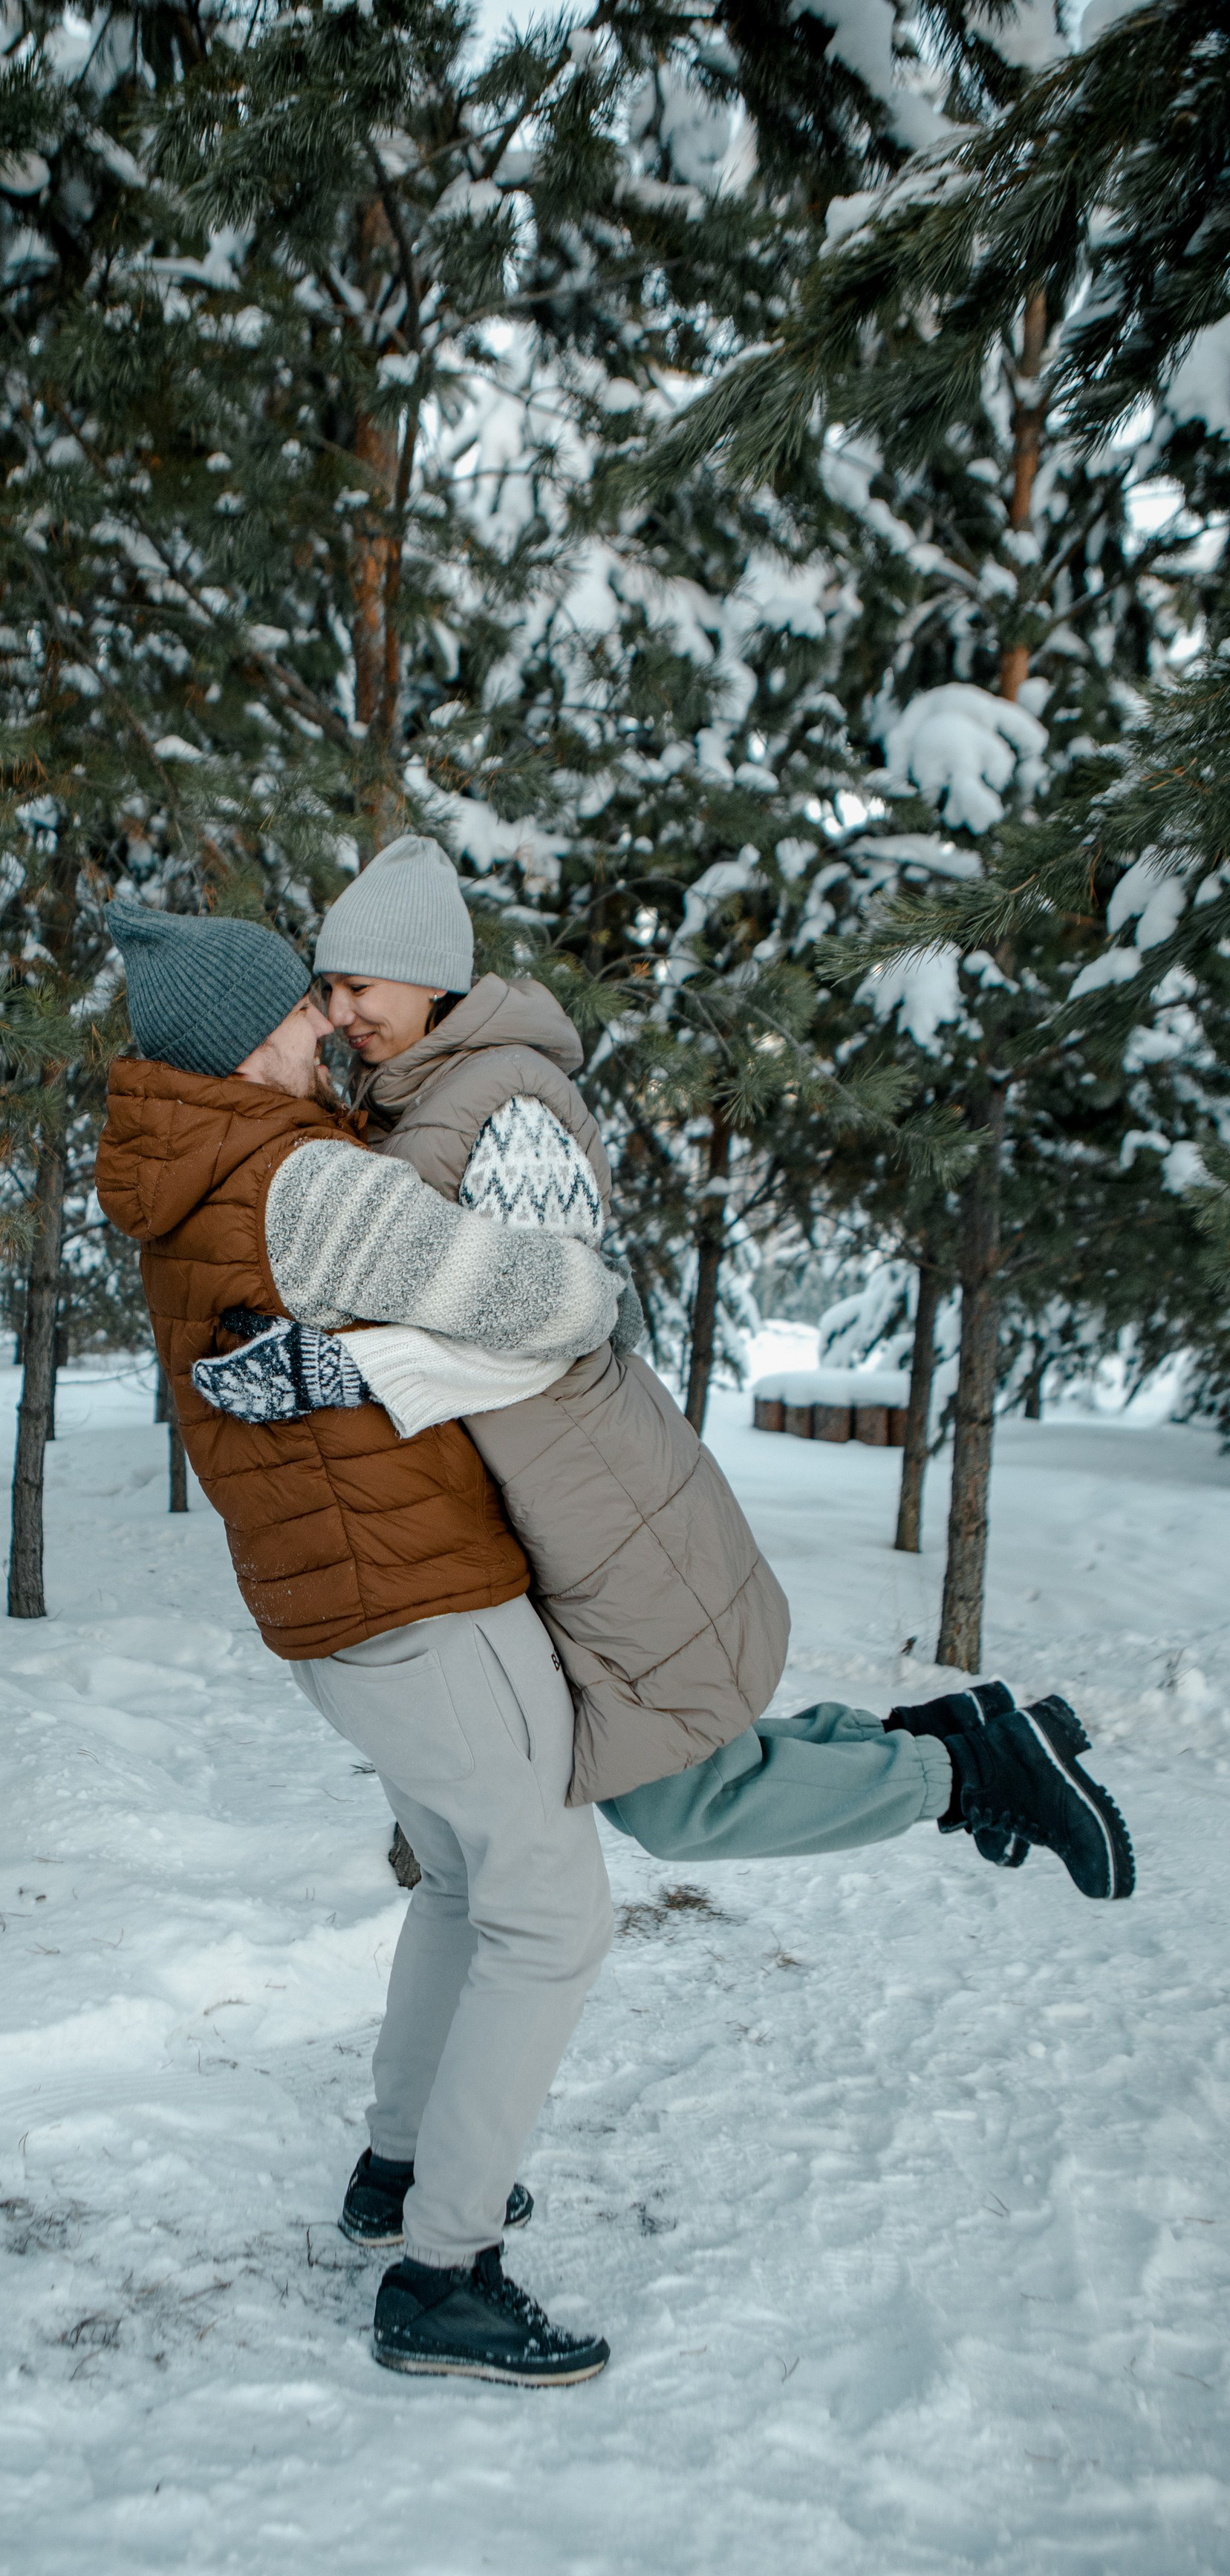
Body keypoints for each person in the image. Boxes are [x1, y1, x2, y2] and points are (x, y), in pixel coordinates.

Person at [194, 831, 1135, 1904]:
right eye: (329, 988)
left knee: (676, 1800)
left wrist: (341, 1371)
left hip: (597, 1489)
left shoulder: (505, 1104)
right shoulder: (413, 1097)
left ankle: (968, 1775)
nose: (341, 1010)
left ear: (432, 978)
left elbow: (550, 1319)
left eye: (360, 985)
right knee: (678, 1755)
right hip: (548, 1492)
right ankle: (952, 1744)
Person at [96, 899, 622, 2385]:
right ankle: (446, 2272)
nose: (327, 1022)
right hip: (424, 1604)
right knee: (552, 1917)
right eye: (298, 1006)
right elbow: (550, 1301)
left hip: (340, 1612)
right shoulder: (301, 1183)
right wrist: (576, 1270)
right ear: (244, 1039)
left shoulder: (191, 1171)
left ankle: (397, 2172)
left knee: (458, 1882)